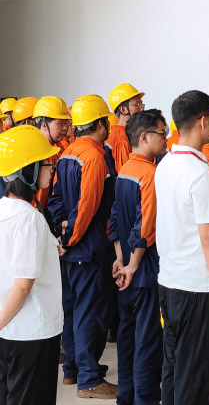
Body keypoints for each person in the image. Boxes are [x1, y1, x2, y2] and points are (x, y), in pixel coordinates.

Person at [155, 90, 209, 405]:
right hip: (197, 291)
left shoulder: (166, 164)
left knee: (174, 368)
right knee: (197, 376)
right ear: (202, 121)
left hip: (169, 283)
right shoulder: (201, 174)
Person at [46, 94, 118, 399]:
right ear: (101, 124)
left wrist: (62, 229)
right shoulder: (93, 157)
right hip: (87, 249)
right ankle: (89, 379)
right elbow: (87, 208)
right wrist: (70, 238)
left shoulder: (68, 153)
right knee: (90, 313)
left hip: (73, 249)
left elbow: (55, 199)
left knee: (74, 309)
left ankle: (73, 370)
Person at [0, 126, 63, 405]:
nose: (51, 168)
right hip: (31, 333)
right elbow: (24, 285)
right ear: (28, 170)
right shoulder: (28, 218)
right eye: (46, 163)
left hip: (9, 331)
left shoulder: (4, 209)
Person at [110, 109, 168, 405]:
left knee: (128, 338)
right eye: (161, 133)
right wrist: (132, 265)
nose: (165, 138)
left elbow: (115, 220)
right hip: (143, 271)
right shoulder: (149, 174)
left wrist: (120, 260)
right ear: (144, 137)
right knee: (147, 342)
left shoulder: (125, 170)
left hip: (127, 270)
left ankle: (126, 396)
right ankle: (145, 399)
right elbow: (146, 227)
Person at [33, 96, 70, 211]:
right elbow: (38, 197)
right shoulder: (39, 152)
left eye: (66, 123)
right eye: (60, 123)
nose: (65, 128)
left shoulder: (50, 149)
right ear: (44, 125)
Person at [107, 83, 146, 173]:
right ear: (123, 109)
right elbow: (125, 176)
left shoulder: (123, 134)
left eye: (141, 103)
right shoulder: (121, 139)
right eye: (137, 104)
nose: (142, 108)